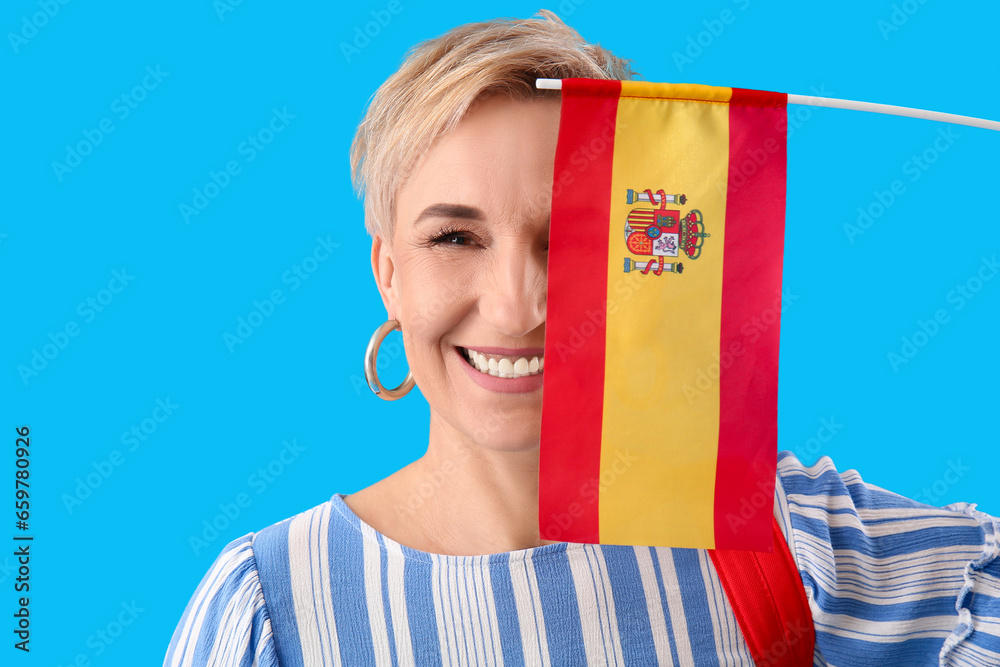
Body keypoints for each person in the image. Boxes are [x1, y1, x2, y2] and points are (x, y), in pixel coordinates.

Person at [163, 10, 1000, 666]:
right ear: (389, 272)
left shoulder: (776, 537)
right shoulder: (272, 609)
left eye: (570, 239)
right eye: (454, 238)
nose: (518, 304)